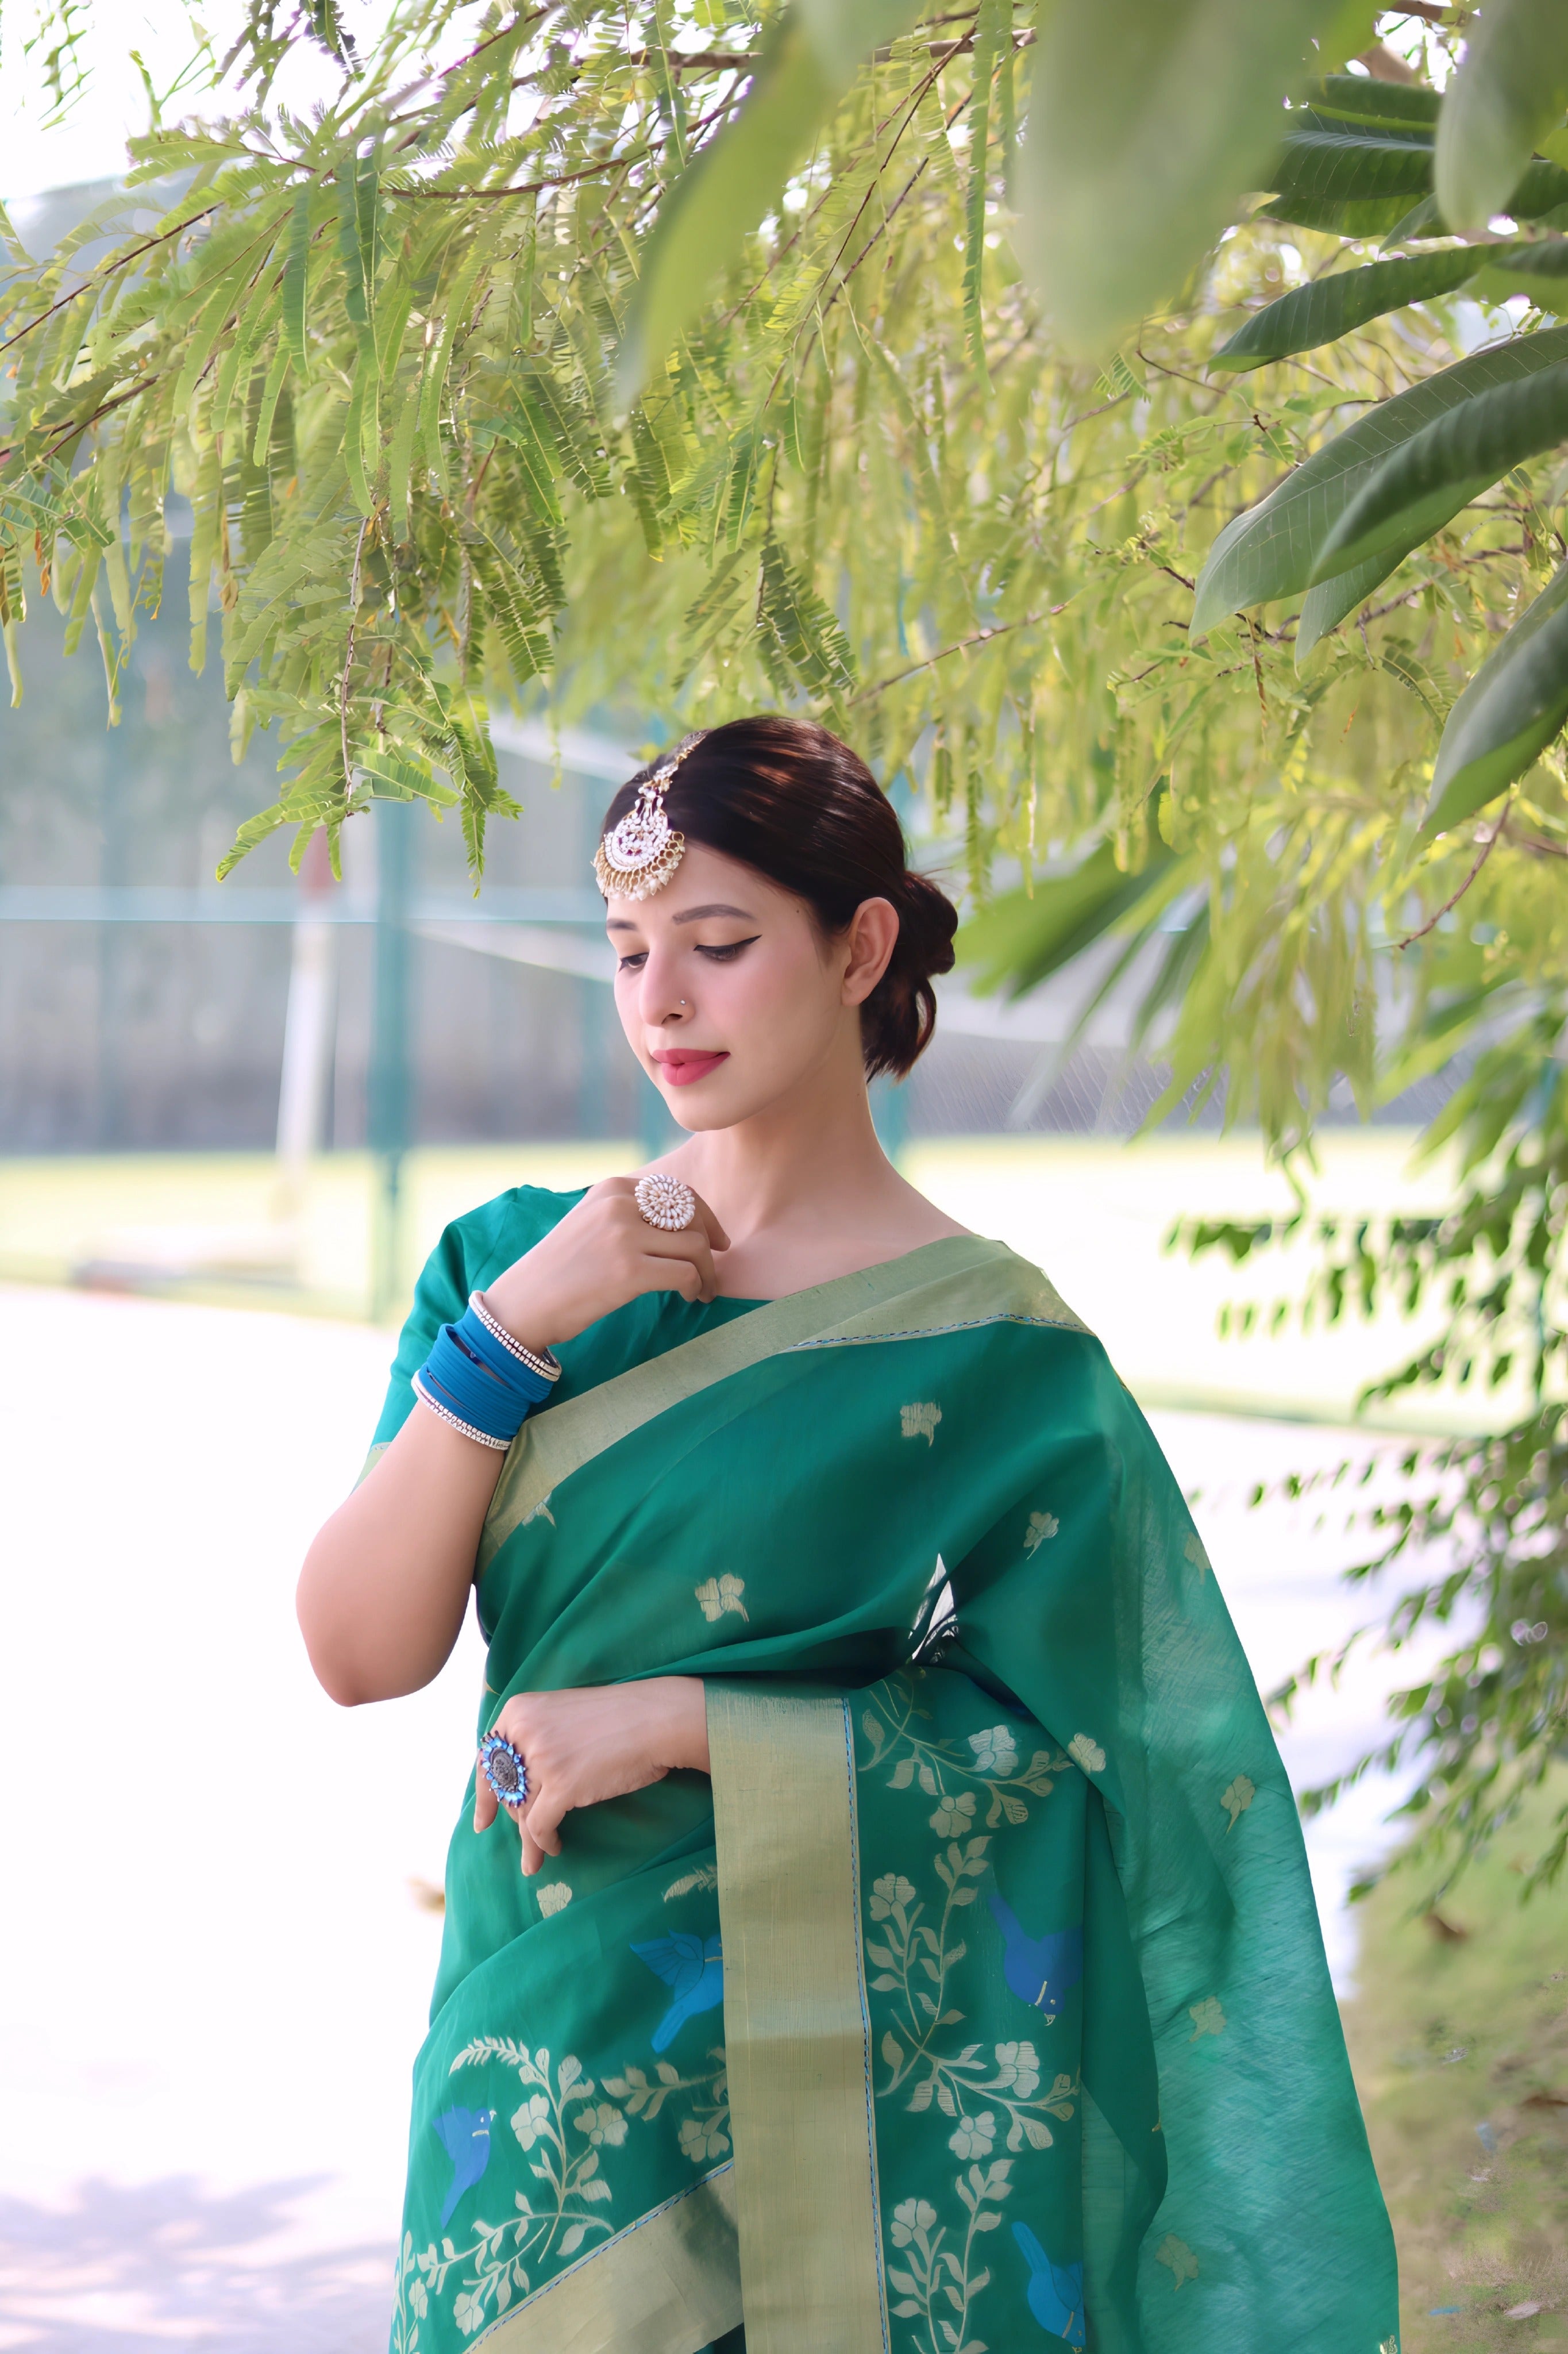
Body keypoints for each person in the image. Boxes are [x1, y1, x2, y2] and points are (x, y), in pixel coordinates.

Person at [298, 716, 1397, 2354]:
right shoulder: (510, 1271)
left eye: (719, 946)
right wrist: (519, 1328)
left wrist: (687, 1726)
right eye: (625, 953)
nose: (660, 1002)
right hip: (549, 2040)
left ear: (858, 946)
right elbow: (356, 1650)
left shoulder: (989, 1347)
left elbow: (1119, 1767)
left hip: (878, 2065)